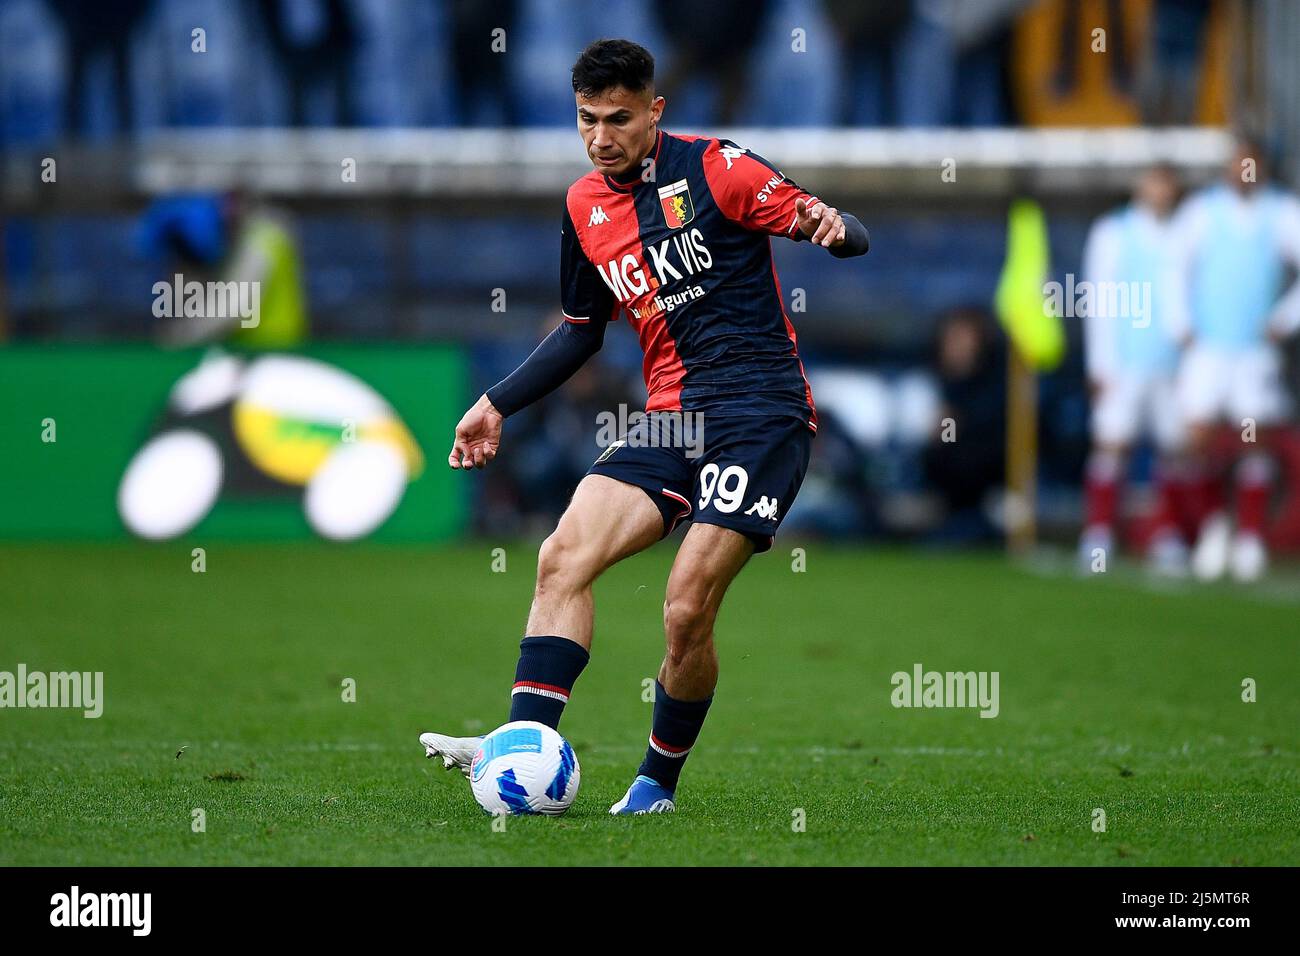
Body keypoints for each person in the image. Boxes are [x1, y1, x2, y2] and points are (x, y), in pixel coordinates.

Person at [420, 38, 869, 814]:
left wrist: (829, 225)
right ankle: (521, 749)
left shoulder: (718, 168)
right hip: (671, 420)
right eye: (587, 120)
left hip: (761, 416)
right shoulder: (582, 207)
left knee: (686, 607)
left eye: (618, 119)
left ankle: (654, 786)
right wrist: (495, 402)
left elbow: (833, 223)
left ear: (654, 110)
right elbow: (579, 330)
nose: (601, 137)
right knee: (562, 557)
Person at [1165, 135, 1300, 581]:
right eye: (1236, 162)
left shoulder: (1281, 213)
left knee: (1254, 439)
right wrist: (1181, 324)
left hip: (1254, 351)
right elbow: (1174, 270)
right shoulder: (1202, 213)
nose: (1243, 170)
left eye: (1251, 163)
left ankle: (1249, 537)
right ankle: (1212, 526)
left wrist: (1284, 319)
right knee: (1197, 439)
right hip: (1208, 348)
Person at [1078, 165, 1189, 574]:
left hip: (1171, 362)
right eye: (1153, 181)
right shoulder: (1113, 232)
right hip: (1124, 360)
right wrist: (1101, 363)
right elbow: (1098, 298)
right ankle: (1098, 537)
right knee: (1112, 444)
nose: (1160, 190)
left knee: (1174, 449)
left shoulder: (1183, 233)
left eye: (1167, 182)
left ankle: (1164, 533)